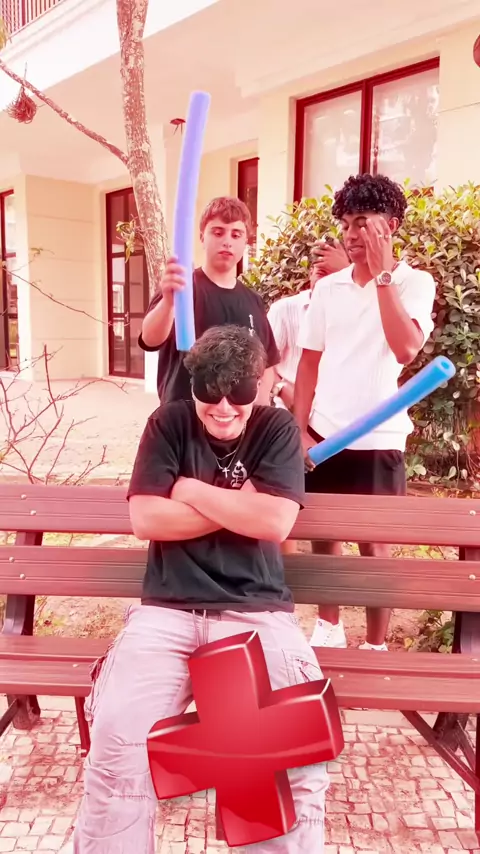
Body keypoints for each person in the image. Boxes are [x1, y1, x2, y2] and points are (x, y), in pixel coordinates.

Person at [74, 324, 329, 854]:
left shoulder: (277, 429)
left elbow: (274, 522)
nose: (224, 410)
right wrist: (241, 504)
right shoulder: (168, 424)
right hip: (167, 611)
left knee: (291, 760)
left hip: (257, 613)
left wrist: (188, 488)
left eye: (239, 396)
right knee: (117, 749)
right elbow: (147, 519)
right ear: (192, 385)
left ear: (260, 385)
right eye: (209, 395)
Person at [294, 174, 436, 651]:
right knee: (324, 537)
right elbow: (308, 362)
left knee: (374, 545)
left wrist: (383, 276)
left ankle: (376, 644)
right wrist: (299, 430)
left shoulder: (416, 283)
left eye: (362, 222)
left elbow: (405, 348)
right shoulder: (328, 289)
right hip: (323, 435)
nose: (351, 234)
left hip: (379, 439)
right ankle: (329, 628)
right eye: (346, 224)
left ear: (390, 226)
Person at [139, 196, 279, 405]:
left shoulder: (253, 301)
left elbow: (267, 363)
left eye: (236, 234)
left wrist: (259, 409)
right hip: (183, 416)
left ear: (245, 242)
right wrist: (168, 304)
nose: (227, 241)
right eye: (218, 232)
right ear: (202, 237)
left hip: (235, 419)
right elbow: (149, 340)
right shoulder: (182, 287)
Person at [268, 241, 349, 412]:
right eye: (321, 273)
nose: (326, 282)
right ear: (310, 272)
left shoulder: (353, 314)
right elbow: (263, 364)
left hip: (336, 414)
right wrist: (281, 389)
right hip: (288, 411)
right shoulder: (284, 310)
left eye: (334, 276)